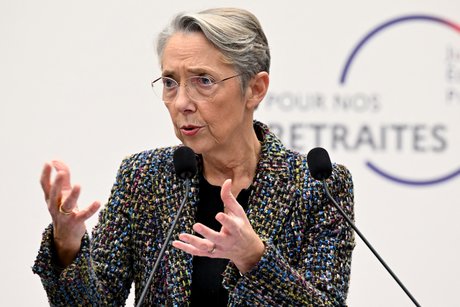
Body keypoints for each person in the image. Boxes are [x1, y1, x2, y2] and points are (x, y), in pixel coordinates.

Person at [33, 7, 355, 306]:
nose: (181, 102)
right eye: (170, 82)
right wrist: (67, 244)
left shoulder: (317, 186)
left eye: (203, 81)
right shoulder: (144, 177)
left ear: (255, 89)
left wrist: (254, 259)